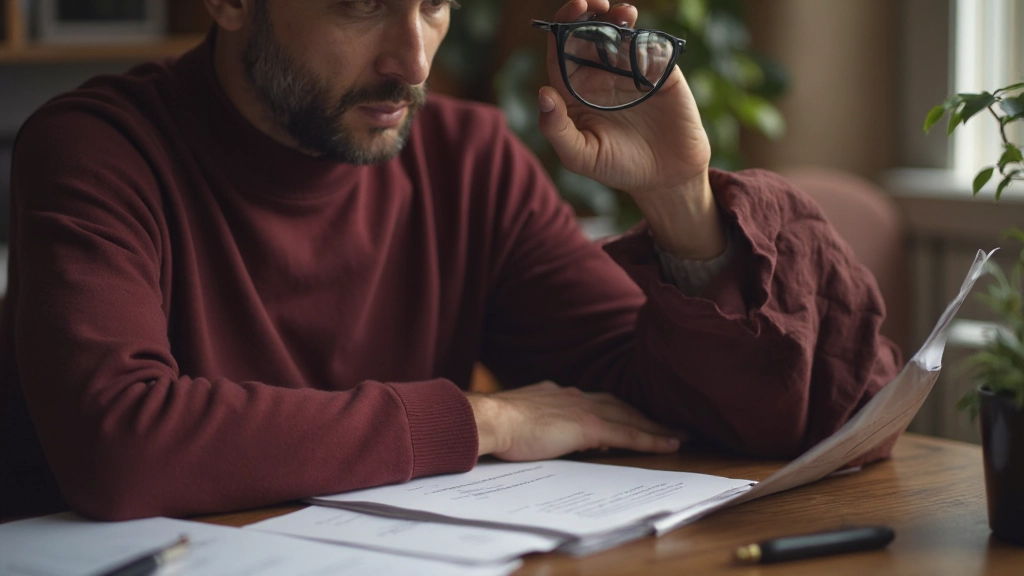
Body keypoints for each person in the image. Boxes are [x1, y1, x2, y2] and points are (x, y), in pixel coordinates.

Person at [0, 0, 901, 521]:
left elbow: (662, 411)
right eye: (362, 4)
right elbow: (119, 445)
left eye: (435, 2)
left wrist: (678, 201)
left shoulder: (468, 160)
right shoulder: (96, 150)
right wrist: (486, 423)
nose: (414, 58)